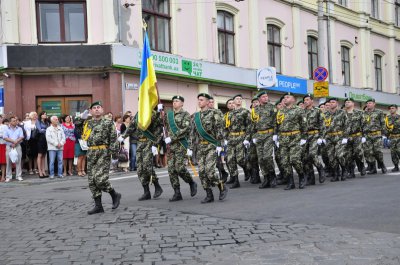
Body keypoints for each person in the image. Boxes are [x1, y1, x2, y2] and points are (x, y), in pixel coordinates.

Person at [76, 101, 121, 214]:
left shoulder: (108, 122)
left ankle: (114, 194)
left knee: (100, 179)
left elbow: (113, 138)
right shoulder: (88, 123)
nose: (96, 109)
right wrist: (82, 116)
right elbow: (77, 127)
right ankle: (98, 206)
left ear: (102, 110)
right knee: (91, 180)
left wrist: (114, 154)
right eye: (94, 108)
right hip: (91, 152)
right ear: (91, 111)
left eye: (98, 107)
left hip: (103, 151)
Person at [188, 93, 227, 203]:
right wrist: (190, 148)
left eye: (201, 100)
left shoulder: (215, 113)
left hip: (212, 145)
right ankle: (209, 194)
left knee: (210, 171)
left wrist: (220, 145)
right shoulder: (195, 116)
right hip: (200, 146)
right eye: (198, 100)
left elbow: (220, 130)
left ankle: (221, 186)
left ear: (207, 101)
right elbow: (192, 133)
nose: (199, 102)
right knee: (201, 172)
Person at [123, 108, 163, 201]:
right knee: (140, 169)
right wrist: (123, 136)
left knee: (147, 166)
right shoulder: (138, 114)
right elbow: (132, 127)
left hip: (149, 142)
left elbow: (159, 129)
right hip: (139, 143)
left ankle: (157, 186)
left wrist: (155, 143)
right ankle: (146, 192)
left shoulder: (153, 113)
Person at [164, 95, 197, 201]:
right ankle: (177, 192)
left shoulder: (185, 115)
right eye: (173, 101)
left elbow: (185, 129)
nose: (174, 102)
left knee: (179, 168)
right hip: (171, 146)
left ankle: (191, 182)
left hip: (181, 144)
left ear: (182, 103)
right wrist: (159, 111)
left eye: (177, 101)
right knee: (171, 170)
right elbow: (164, 126)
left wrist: (171, 138)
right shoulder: (169, 115)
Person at [275, 93, 307, 190]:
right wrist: (276, 137)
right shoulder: (280, 111)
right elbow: (277, 125)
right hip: (283, 139)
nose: (285, 99)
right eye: (284, 97)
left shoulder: (299, 110)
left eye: (287, 97)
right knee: (284, 161)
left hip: (295, 138)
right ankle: (290, 182)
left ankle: (302, 176)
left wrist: (303, 138)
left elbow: (304, 125)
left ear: (293, 99)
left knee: (294, 159)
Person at [224, 94, 252, 189]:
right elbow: (225, 127)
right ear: (233, 101)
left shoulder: (245, 112)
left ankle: (247, 169)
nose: (239, 100)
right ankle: (236, 181)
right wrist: (225, 138)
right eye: (237, 99)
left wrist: (247, 138)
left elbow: (249, 126)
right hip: (231, 138)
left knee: (240, 159)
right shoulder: (229, 114)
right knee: (230, 159)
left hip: (241, 136)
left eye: (240, 99)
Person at [250, 91, 277, 188]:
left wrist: (275, 134)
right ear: (259, 99)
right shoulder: (255, 110)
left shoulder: (272, 107)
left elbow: (276, 121)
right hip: (259, 135)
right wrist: (253, 136)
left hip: (269, 134)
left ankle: (272, 176)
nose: (266, 98)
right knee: (261, 159)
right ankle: (266, 178)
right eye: (263, 97)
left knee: (267, 157)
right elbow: (252, 124)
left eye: (266, 96)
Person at [322, 98, 349, 182]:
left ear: (337, 103)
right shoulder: (325, 114)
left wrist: (345, 137)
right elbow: (323, 127)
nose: (331, 104)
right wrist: (323, 137)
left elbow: (347, 125)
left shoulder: (342, 113)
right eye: (330, 102)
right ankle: (336, 174)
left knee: (339, 155)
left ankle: (344, 170)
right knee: (331, 157)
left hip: (339, 136)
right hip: (329, 137)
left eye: (333, 102)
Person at [302, 94, 326, 184]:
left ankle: (320, 169)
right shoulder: (301, 112)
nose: (305, 101)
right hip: (304, 136)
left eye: (307, 99)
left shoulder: (317, 111)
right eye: (304, 100)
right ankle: (310, 178)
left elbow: (322, 125)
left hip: (314, 135)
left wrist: (321, 137)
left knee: (312, 154)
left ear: (312, 101)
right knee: (305, 158)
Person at [208, 96, 229, 183]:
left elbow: (222, 126)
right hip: (206, 140)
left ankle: (223, 173)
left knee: (218, 161)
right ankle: (210, 178)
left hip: (216, 140)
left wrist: (220, 143)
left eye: (212, 102)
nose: (211, 103)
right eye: (209, 102)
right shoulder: (200, 114)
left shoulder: (218, 112)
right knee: (209, 162)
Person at [343, 98, 366, 178]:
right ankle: (351, 172)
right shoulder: (342, 113)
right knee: (348, 155)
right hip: (346, 137)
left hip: (357, 136)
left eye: (349, 102)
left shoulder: (359, 113)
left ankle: (362, 166)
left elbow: (364, 125)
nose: (347, 103)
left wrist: (364, 136)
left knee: (358, 153)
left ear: (353, 103)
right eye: (346, 102)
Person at [364, 98, 387, 174]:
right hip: (367, 135)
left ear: (374, 104)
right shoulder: (364, 113)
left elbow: (383, 123)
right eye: (367, 103)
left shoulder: (379, 112)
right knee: (369, 152)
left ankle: (382, 165)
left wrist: (383, 134)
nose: (368, 104)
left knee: (378, 151)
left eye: (370, 103)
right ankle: (373, 168)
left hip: (377, 134)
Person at [4, 116, 24, 182]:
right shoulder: (6, 129)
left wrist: (15, 142)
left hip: (17, 146)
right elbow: (5, 137)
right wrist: (13, 141)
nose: (15, 122)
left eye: (16, 120)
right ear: (10, 122)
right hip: (9, 146)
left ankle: (18, 176)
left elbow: (21, 137)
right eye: (13, 121)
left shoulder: (19, 128)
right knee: (8, 161)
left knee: (18, 161)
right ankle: (8, 176)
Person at [386, 104, 400, 172]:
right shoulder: (387, 118)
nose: (391, 109)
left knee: (399, 152)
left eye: (393, 108)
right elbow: (385, 127)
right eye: (390, 108)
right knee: (393, 153)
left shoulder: (399, 117)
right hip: (392, 137)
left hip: (399, 137)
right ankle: (396, 166)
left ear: (396, 109)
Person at [74, 112, 88, 177]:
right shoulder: (76, 128)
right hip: (78, 143)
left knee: (84, 157)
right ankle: (79, 171)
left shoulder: (84, 127)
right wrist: (84, 136)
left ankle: (83, 170)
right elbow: (79, 136)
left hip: (84, 143)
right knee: (80, 157)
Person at [36, 111, 49, 178]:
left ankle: (44, 171)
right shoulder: (38, 121)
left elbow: (49, 129)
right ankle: (40, 171)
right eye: (44, 114)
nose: (45, 115)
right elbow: (40, 130)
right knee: (40, 155)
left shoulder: (47, 122)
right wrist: (46, 129)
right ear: (41, 115)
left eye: (45, 114)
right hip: (40, 139)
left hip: (46, 139)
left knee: (44, 155)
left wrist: (45, 129)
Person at [0, 116, 7, 182]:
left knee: (2, 162)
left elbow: (5, 135)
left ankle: (3, 176)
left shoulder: (4, 126)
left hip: (2, 145)